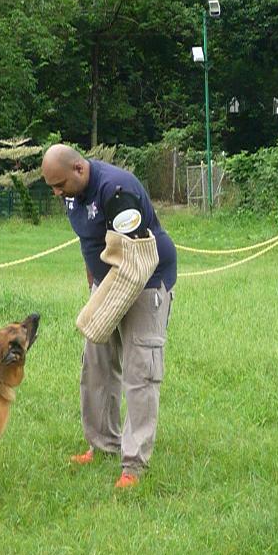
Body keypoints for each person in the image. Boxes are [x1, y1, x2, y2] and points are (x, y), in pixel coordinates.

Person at [41, 144, 176, 489]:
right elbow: (90, 241)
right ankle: (102, 444)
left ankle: (133, 465)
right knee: (96, 364)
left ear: (79, 170)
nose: (56, 193)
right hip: (107, 282)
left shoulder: (117, 191)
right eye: (51, 187)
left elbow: (134, 257)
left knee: (140, 368)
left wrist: (112, 305)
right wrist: (94, 284)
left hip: (145, 280)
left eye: (59, 185)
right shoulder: (72, 192)